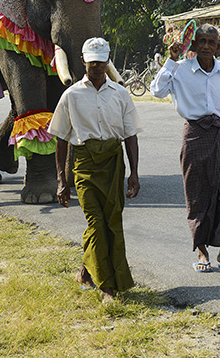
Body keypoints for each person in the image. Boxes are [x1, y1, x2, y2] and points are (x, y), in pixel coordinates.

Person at [151, 24, 220, 274]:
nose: (206, 46)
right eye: (201, 41)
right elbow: (157, 91)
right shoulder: (181, 69)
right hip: (195, 137)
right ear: (194, 44)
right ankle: (201, 249)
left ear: (218, 47)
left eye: (211, 42)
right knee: (197, 194)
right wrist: (171, 60)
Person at [50, 37, 140, 302]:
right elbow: (61, 139)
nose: (98, 67)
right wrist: (61, 180)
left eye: (102, 62)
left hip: (113, 162)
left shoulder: (121, 94)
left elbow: (131, 136)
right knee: (96, 222)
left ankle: (87, 270)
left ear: (108, 61)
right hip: (85, 163)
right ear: (83, 61)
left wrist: (134, 173)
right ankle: (107, 287)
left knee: (112, 221)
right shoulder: (71, 95)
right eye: (93, 63)